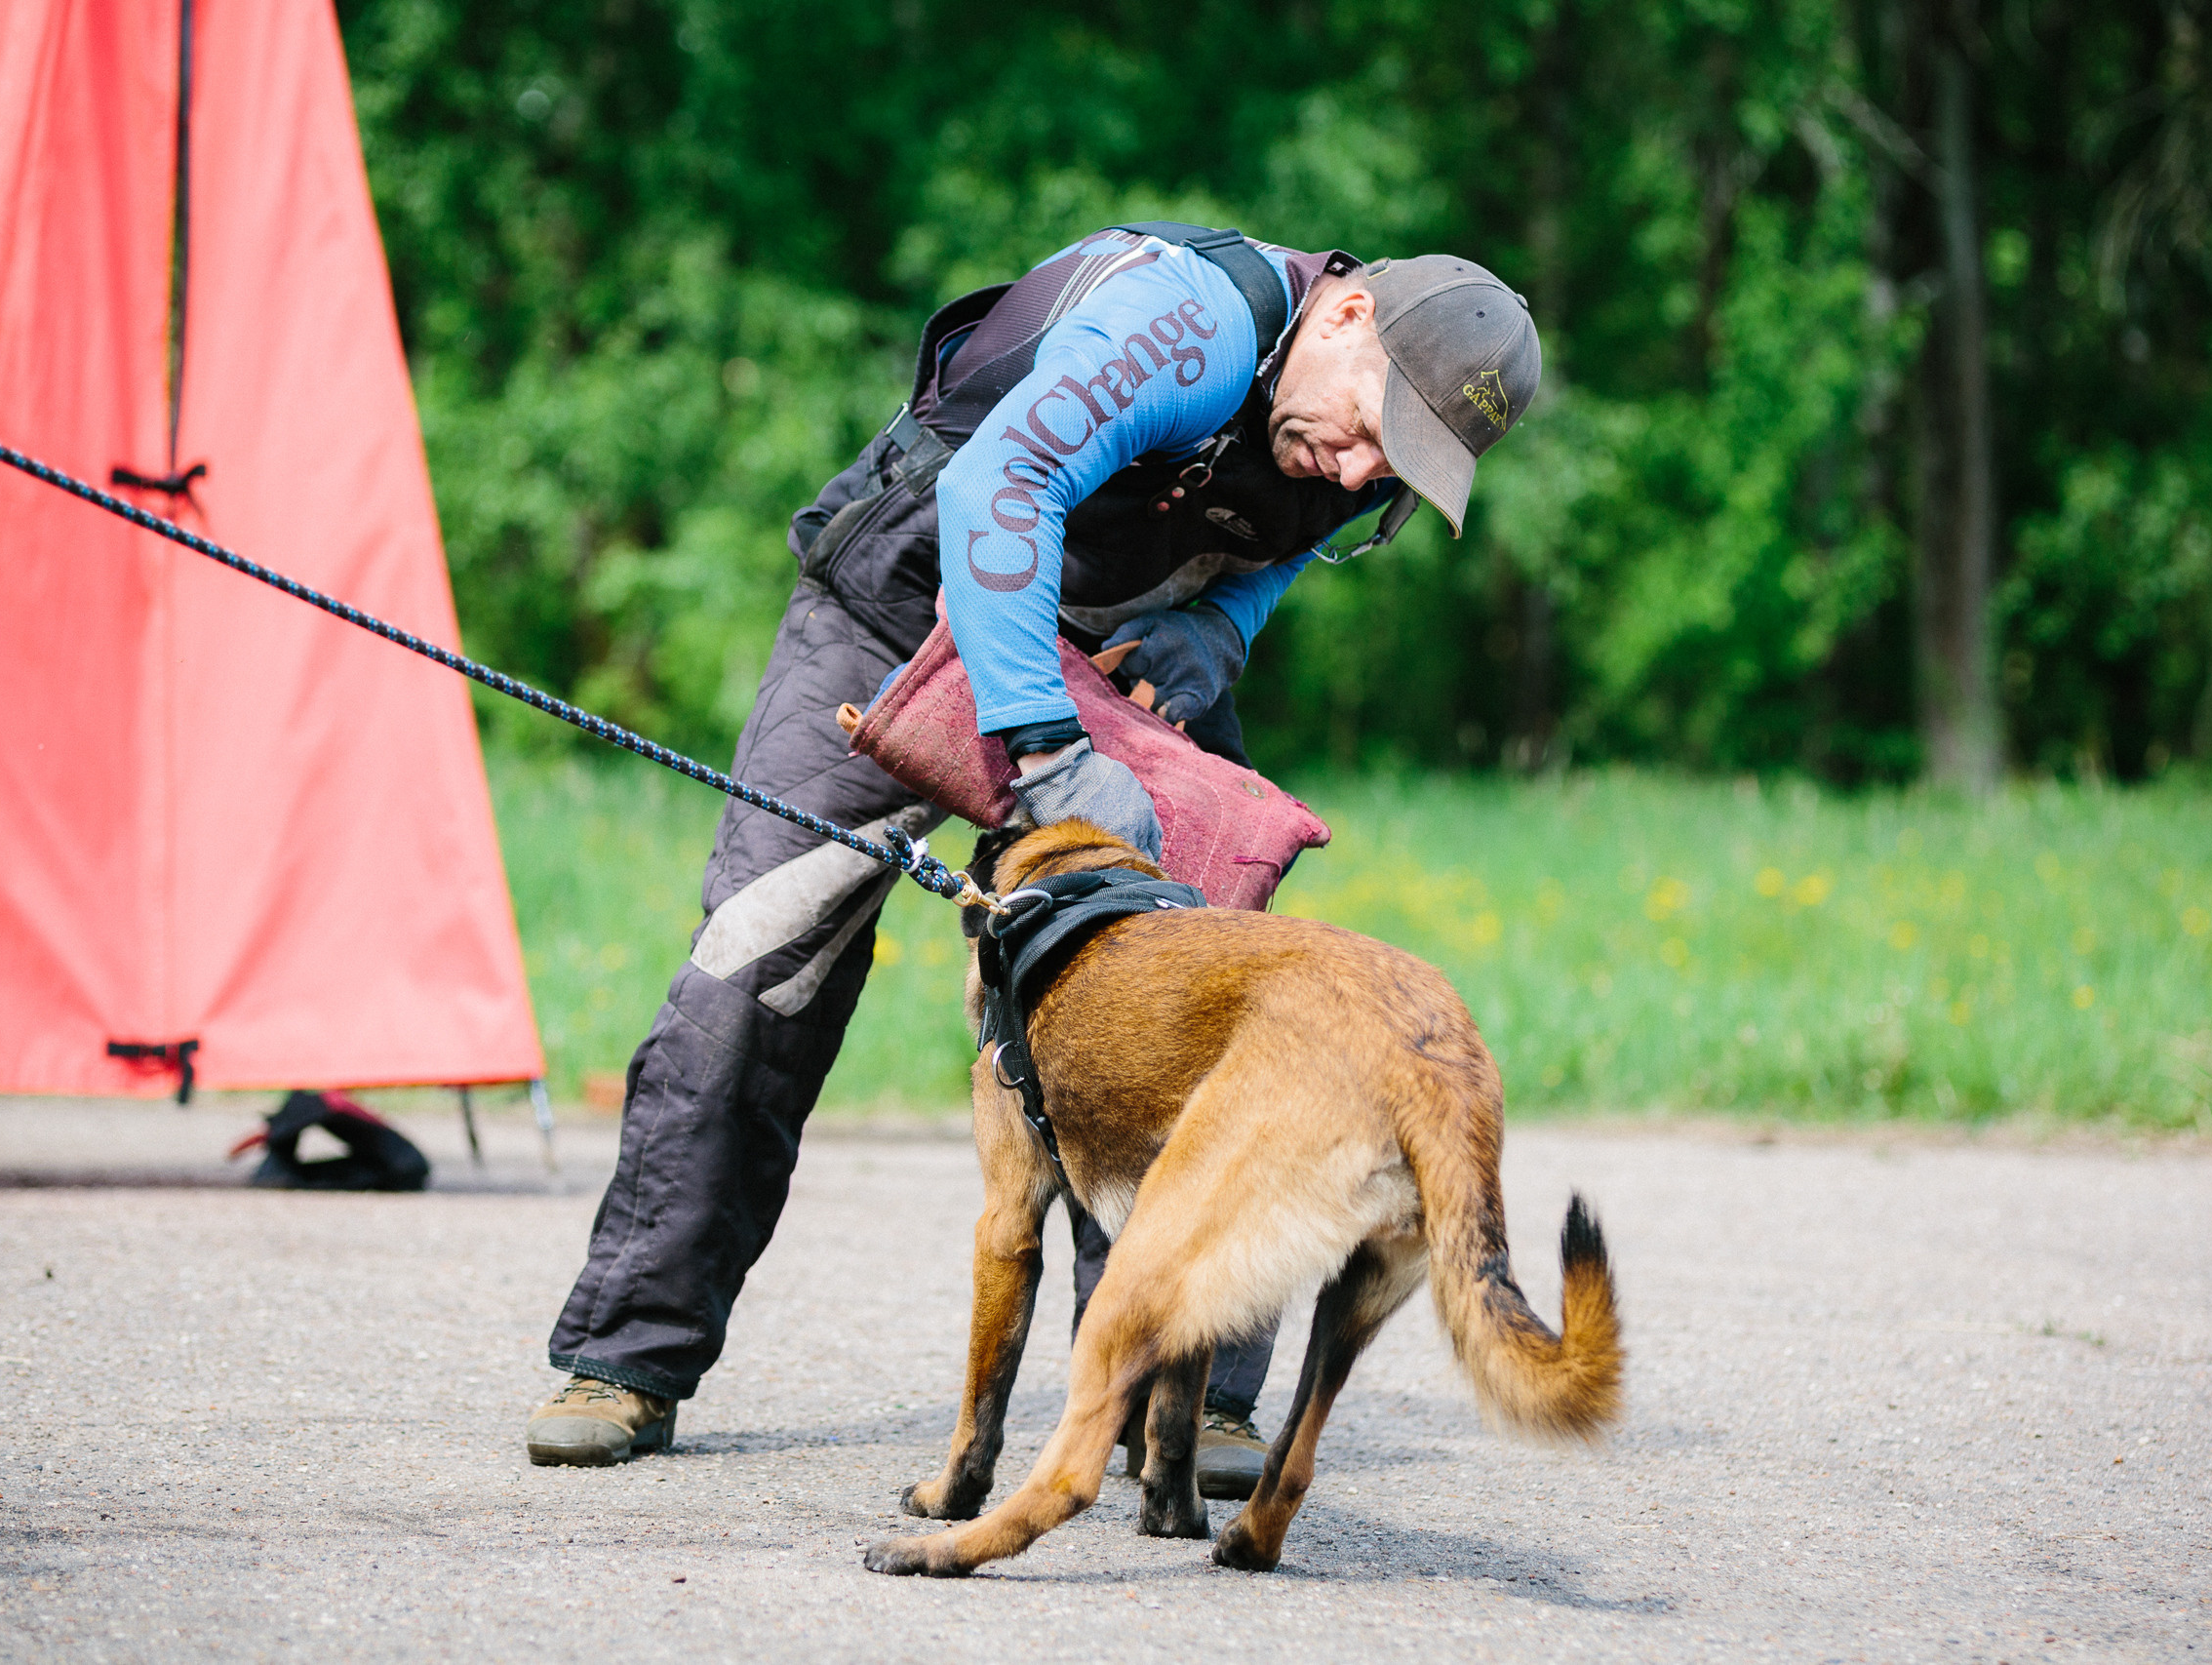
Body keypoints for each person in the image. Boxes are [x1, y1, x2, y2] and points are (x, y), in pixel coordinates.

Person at [525, 223, 1542, 1496]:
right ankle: (626, 1362)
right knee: (760, 969)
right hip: (900, 623)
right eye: (1368, 433)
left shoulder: (1342, 432)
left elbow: (1271, 556)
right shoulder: (1190, 327)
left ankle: (1179, 1392)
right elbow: (999, 487)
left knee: (1200, 1021)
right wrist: (1049, 754)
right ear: (1344, 322)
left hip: (1122, 669)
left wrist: (1212, 637)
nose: (1357, 473)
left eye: (1395, 469)